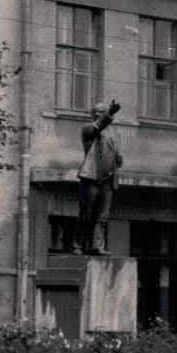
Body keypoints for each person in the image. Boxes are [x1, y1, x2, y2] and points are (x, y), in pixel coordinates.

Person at [75, 99, 123, 255]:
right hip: (91, 178)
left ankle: (97, 246)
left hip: (107, 180)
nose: (102, 115)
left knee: (103, 216)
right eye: (100, 112)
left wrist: (118, 158)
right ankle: (79, 245)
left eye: (104, 112)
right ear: (94, 115)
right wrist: (110, 113)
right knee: (86, 214)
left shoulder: (111, 135)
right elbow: (99, 126)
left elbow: (116, 157)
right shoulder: (88, 129)